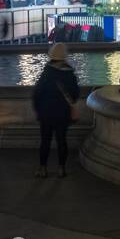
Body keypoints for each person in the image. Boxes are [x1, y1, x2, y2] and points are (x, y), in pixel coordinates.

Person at [32, 42, 80, 178]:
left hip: (46, 112)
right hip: (63, 113)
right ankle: (61, 169)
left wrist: (38, 110)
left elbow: (37, 93)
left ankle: (43, 169)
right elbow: (75, 94)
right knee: (62, 140)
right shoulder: (69, 72)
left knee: (45, 141)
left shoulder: (47, 72)